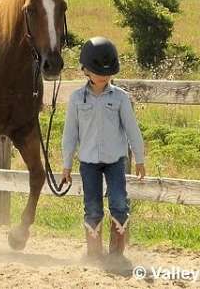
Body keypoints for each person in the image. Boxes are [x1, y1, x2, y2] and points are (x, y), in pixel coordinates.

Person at [61, 36, 146, 261]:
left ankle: (117, 254)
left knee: (119, 202)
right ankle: (94, 254)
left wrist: (139, 158)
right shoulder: (77, 99)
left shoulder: (120, 98)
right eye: (99, 72)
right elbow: (70, 134)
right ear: (86, 70)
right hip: (88, 162)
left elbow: (132, 129)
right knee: (92, 207)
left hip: (115, 161)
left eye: (108, 72)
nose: (104, 76)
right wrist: (67, 164)